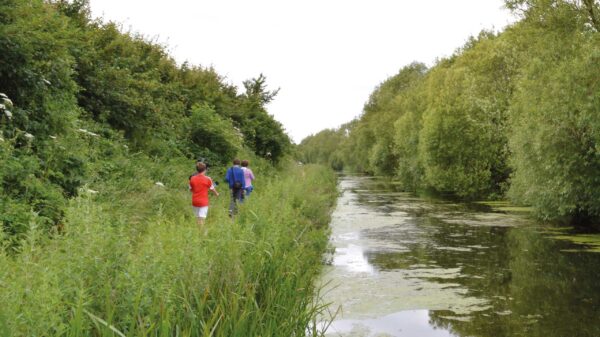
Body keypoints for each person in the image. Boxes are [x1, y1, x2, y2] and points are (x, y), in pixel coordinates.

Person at [189, 162, 219, 230]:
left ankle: (198, 231)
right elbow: (212, 188)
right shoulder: (208, 179)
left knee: (197, 218)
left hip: (195, 201)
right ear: (205, 169)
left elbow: (191, 189)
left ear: (197, 170)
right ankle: (202, 234)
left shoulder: (192, 178)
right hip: (203, 202)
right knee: (202, 219)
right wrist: (216, 194)